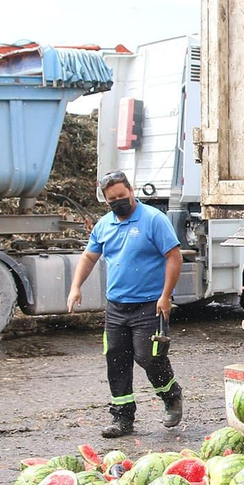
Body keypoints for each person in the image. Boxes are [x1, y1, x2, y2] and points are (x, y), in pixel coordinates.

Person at [66, 171, 184, 437]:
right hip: (116, 308)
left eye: (122, 196)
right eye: (112, 199)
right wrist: (75, 287)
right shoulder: (104, 225)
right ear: (106, 201)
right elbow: (88, 257)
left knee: (149, 357)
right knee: (116, 361)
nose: (119, 201)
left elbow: (174, 257)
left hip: (149, 305)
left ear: (132, 191)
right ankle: (122, 419)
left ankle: (171, 396)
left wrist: (166, 296)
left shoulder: (154, 220)